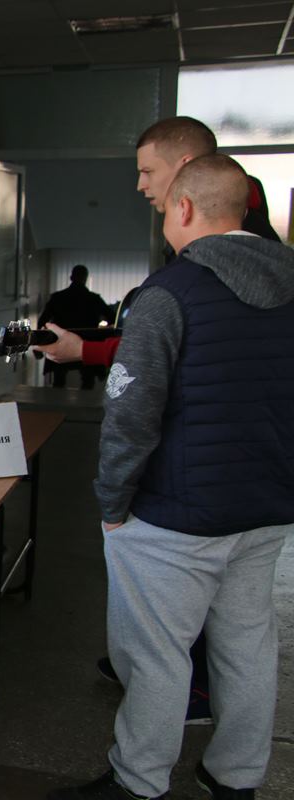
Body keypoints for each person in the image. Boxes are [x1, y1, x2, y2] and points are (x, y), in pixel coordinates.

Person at [49, 156, 294, 800]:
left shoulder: (170, 292)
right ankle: (236, 777)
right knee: (247, 644)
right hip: (267, 507)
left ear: (184, 208)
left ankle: (139, 782)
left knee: (156, 652)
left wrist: (112, 502)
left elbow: (131, 413)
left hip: (176, 511)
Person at [36, 116, 281, 368]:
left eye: (148, 172)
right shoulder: (254, 243)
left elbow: (188, 344)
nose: (140, 185)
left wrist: (86, 350)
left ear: (186, 166)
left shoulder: (226, 251)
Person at [36, 265, 110, 389]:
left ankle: (57, 401)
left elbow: (42, 321)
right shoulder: (93, 299)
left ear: (71, 277)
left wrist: (38, 346)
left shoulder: (58, 298)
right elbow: (112, 317)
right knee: (88, 382)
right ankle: (85, 402)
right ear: (85, 278)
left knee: (58, 382)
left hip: (61, 343)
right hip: (86, 344)